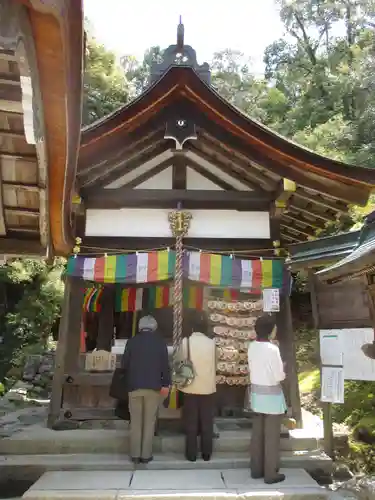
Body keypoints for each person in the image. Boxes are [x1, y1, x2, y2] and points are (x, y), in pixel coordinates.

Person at [122, 315, 170, 464]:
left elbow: (124, 365)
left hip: (134, 386)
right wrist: (166, 384)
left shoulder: (132, 342)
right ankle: (146, 455)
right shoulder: (160, 343)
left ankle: (135, 455)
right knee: (149, 422)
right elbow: (165, 367)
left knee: (135, 422)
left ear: (140, 327)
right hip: (153, 387)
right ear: (154, 327)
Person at [248, 314, 286, 485]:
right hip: (272, 396)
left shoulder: (252, 347)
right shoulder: (273, 349)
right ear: (270, 331)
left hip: (256, 394)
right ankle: (270, 473)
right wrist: (284, 369)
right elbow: (278, 376)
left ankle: (256, 469)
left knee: (257, 435)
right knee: (271, 437)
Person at [179, 312, 216, 462]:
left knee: (191, 423)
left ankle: (191, 454)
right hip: (208, 387)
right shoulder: (212, 343)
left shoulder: (185, 342)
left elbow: (180, 361)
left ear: (192, 327)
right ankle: (207, 453)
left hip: (190, 387)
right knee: (207, 422)